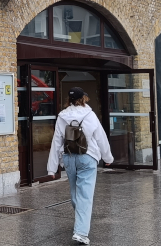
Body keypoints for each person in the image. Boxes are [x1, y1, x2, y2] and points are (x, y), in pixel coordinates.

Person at [47, 87, 114, 245]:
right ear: (84, 98)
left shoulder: (62, 116)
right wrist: (107, 157)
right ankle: (81, 232)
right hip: (87, 157)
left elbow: (56, 142)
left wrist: (52, 167)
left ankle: (80, 223)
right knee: (85, 195)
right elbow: (101, 138)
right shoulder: (90, 115)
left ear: (69, 100)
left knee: (75, 193)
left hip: (69, 158)